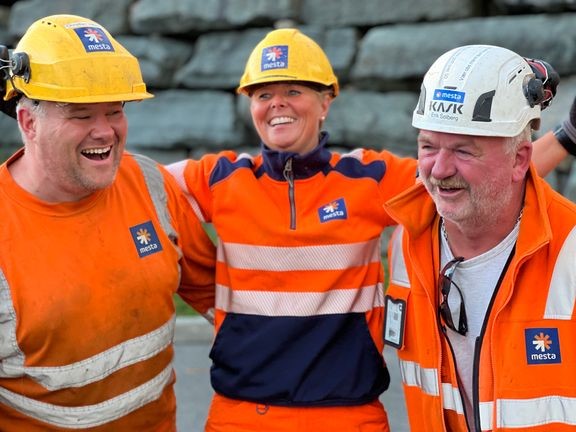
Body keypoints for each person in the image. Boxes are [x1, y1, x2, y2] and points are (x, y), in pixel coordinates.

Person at [166, 28, 571, 431]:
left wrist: (566, 137)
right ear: (249, 105)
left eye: (293, 91)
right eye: (263, 94)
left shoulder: (367, 177)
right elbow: (137, 191)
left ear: (326, 101)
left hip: (347, 415)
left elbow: (471, 179)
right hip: (240, 415)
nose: (277, 104)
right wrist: (205, 289)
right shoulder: (221, 177)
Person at [0, 14, 216, 431]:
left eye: (114, 111)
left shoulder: (149, 183)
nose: (105, 132)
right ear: (29, 123)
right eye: (81, 116)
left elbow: (220, 300)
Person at [384, 44, 576, 431]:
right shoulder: (408, 242)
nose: (438, 170)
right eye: (427, 147)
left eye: (463, 151)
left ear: (520, 159)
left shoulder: (569, 251)